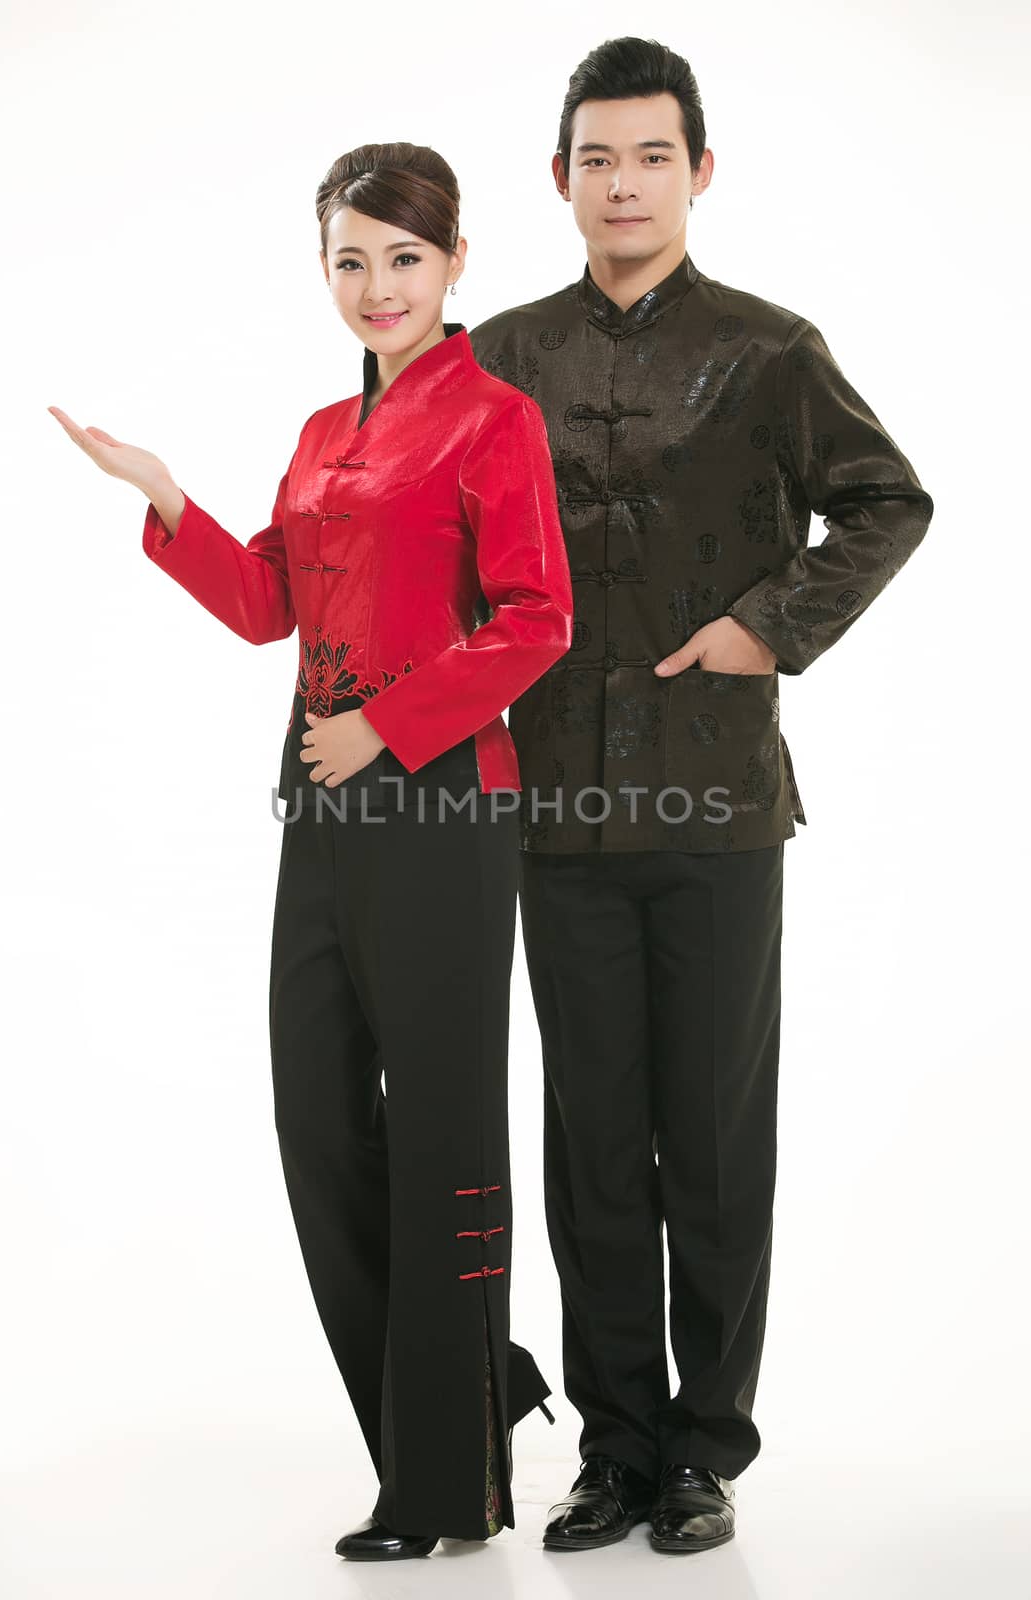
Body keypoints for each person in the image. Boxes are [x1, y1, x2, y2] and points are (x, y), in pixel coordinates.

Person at [49, 140, 572, 1560]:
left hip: (445, 810)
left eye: (406, 256)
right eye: (352, 258)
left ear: (457, 261)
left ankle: (445, 1484)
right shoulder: (318, 435)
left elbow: (537, 619)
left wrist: (389, 729)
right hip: (323, 815)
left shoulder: (495, 421)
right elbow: (269, 603)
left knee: (448, 1133)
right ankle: (467, 1400)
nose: (378, 284)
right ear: (324, 270)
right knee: (322, 1126)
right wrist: (166, 500)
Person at [467, 38, 933, 1556]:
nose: (623, 184)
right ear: (560, 179)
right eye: (596, 158)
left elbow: (886, 499)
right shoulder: (497, 362)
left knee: (716, 1140)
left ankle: (704, 1453)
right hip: (549, 812)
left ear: (699, 171)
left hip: (721, 808)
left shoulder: (771, 349)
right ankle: (612, 1447)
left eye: (651, 156)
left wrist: (767, 625)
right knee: (592, 1139)